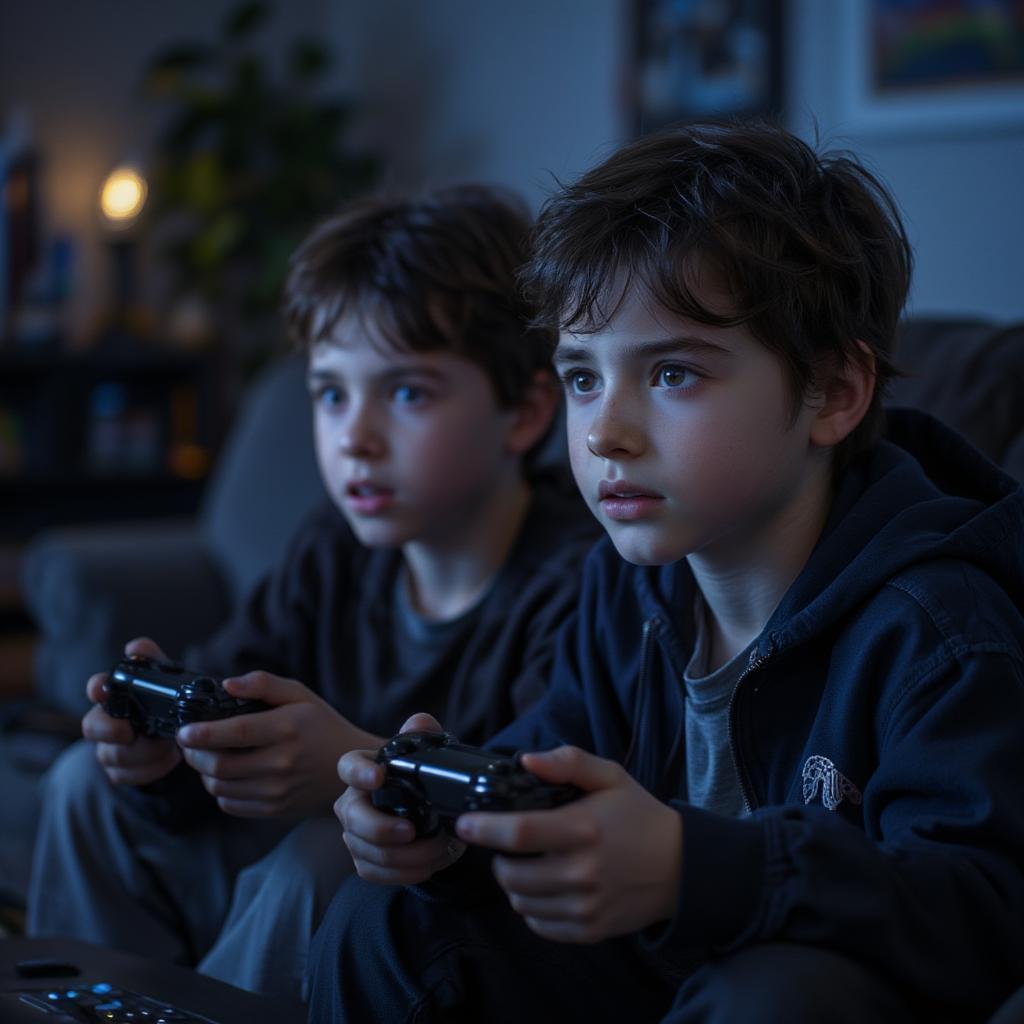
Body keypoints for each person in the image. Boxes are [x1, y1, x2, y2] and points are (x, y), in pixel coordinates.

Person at [310, 122, 1024, 1023]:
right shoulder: (626, 589)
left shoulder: (939, 626)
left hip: (817, 989)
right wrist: (453, 831)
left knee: (771, 995)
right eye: (581, 378)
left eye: (674, 373)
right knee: (387, 920)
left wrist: (702, 867)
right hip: (656, 969)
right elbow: (551, 757)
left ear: (836, 393)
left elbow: (982, 907)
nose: (606, 431)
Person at [26, 185, 600, 1002]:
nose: (353, 437)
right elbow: (229, 706)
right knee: (85, 784)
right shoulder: (335, 548)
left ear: (526, 411)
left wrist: (345, 768)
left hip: (460, 912)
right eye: (331, 393)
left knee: (318, 860)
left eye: (406, 393)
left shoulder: (574, 583)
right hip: (309, 853)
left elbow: (526, 814)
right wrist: (163, 756)